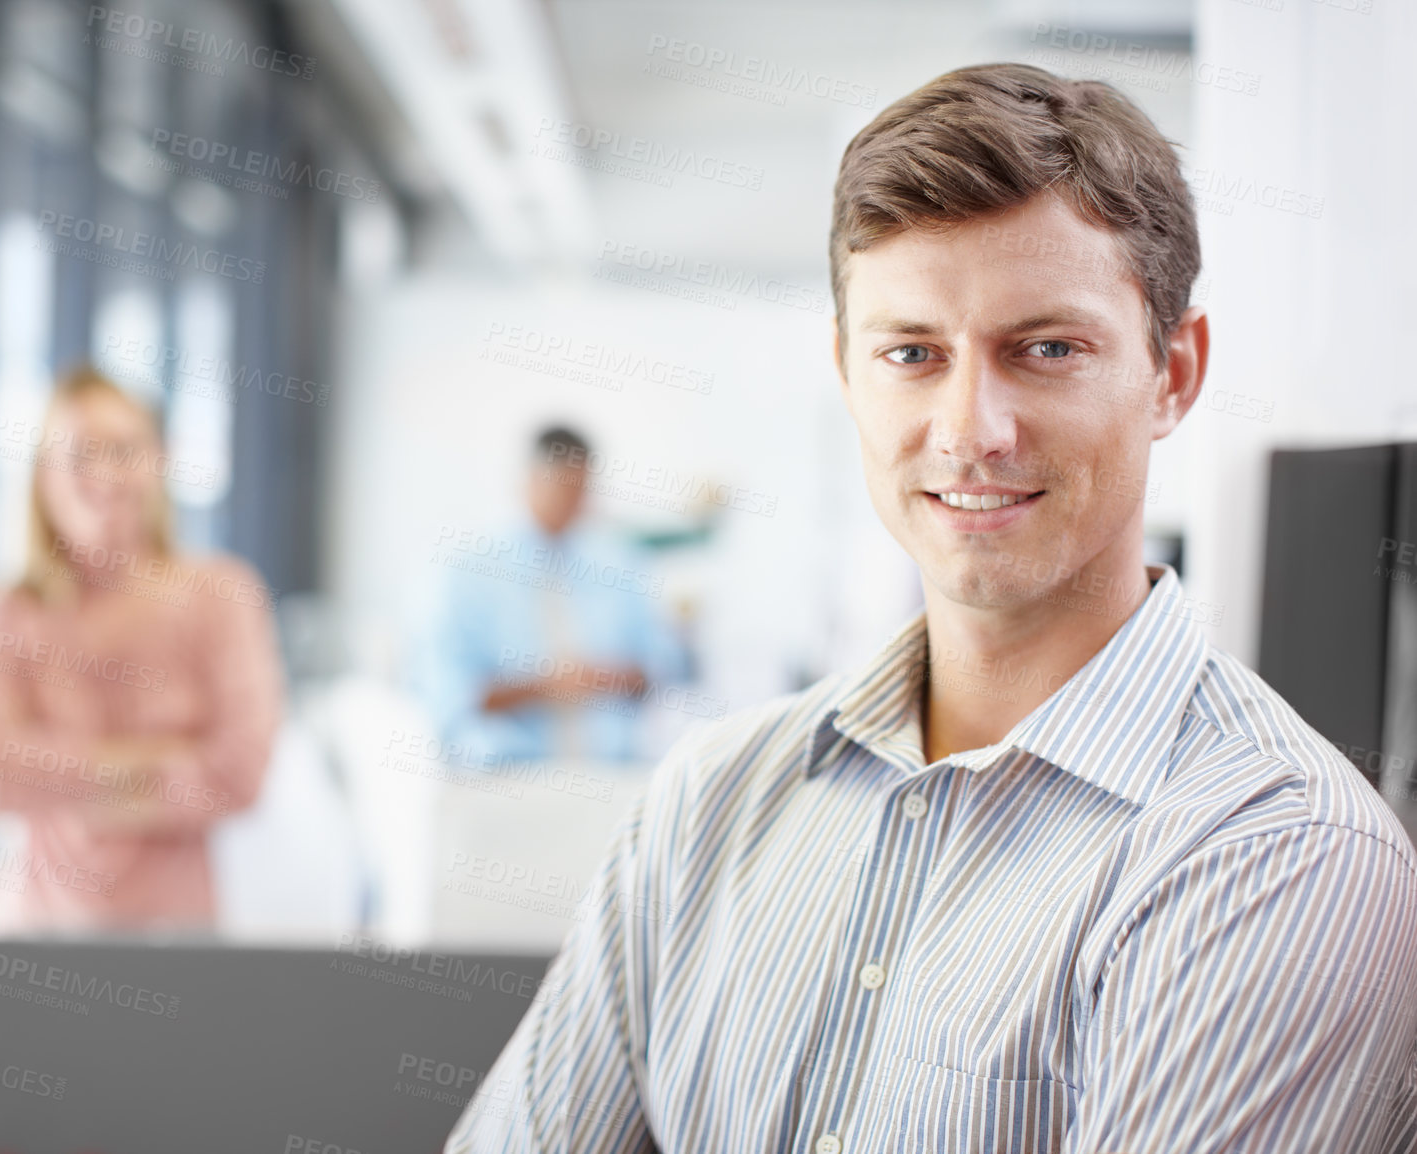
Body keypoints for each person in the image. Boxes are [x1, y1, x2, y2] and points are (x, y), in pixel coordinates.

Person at [447, 63, 1417, 1152]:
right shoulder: (707, 805)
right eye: (912, 353)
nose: (970, 429)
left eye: (1045, 348)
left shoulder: (1274, 857)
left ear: (1173, 372)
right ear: (849, 373)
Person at [0, 366, 284, 930]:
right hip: (30, 934)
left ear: (159, 460)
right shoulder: (7, 605)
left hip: (175, 942)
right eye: (80, 454)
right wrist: (161, 758)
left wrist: (50, 771)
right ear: (42, 475)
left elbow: (240, 776)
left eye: (124, 449)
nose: (105, 474)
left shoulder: (223, 595)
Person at [419, 426, 684, 764]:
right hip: (505, 775)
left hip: (610, 772)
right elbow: (449, 695)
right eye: (562, 488)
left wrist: (605, 677)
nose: (574, 504)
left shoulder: (619, 564)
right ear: (529, 482)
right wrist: (547, 686)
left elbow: (661, 669)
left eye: (582, 490)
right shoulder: (467, 573)